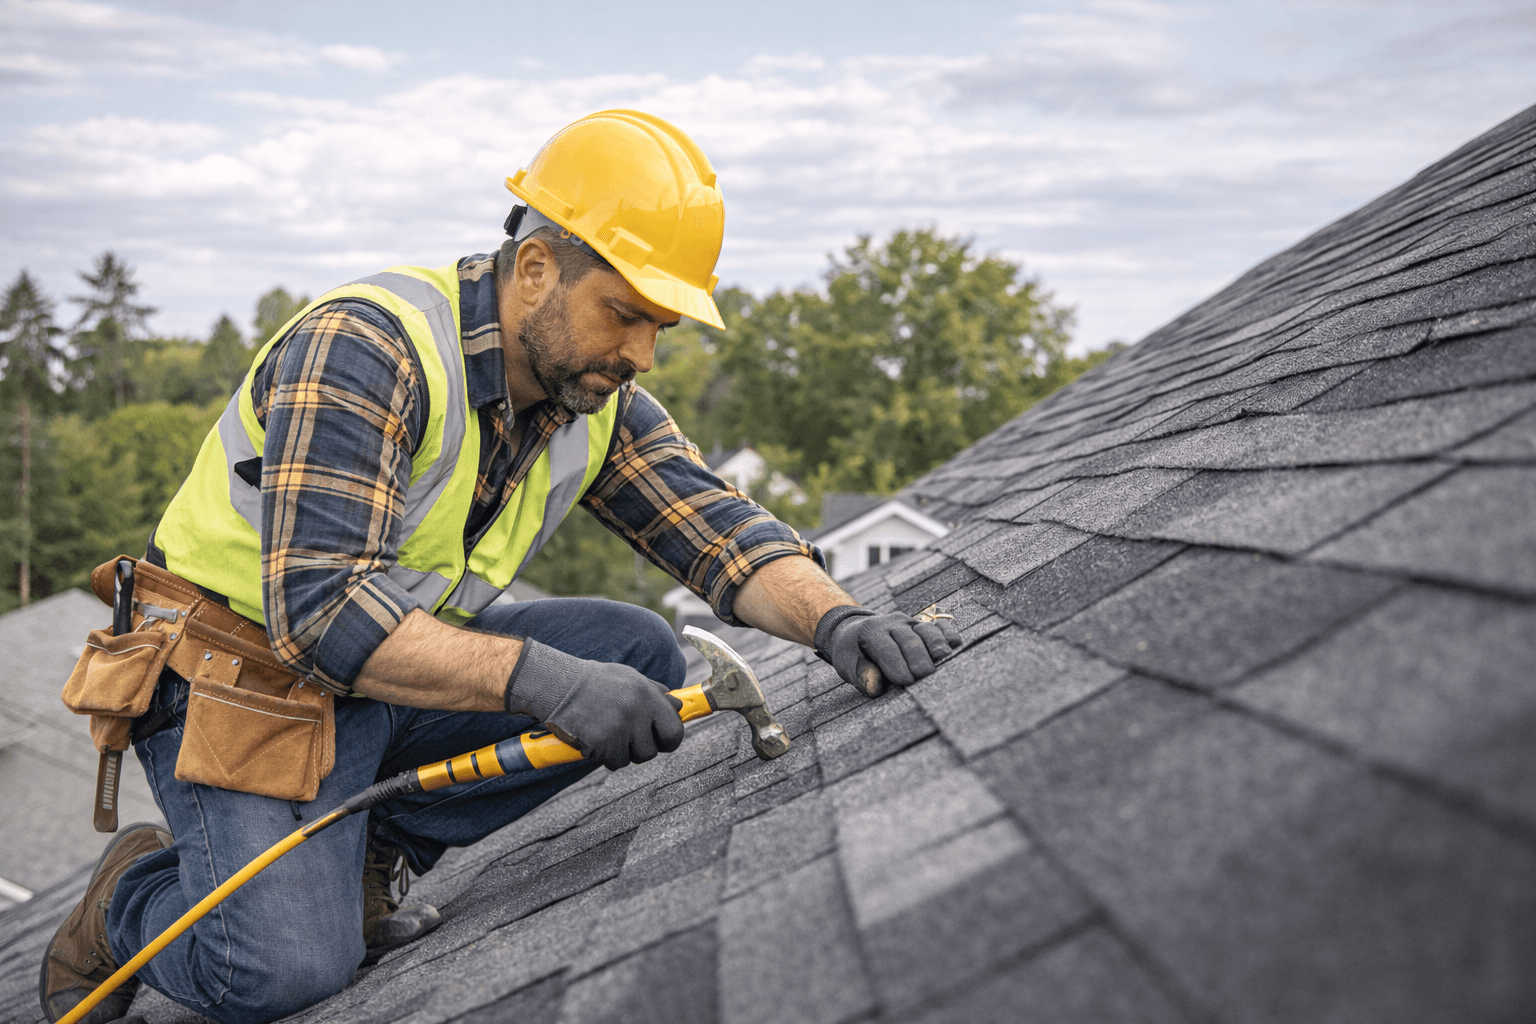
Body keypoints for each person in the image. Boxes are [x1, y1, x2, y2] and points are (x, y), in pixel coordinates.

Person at [41, 109, 961, 1024]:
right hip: (238, 684)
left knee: (635, 652)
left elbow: (717, 529)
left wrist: (838, 620)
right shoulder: (369, 348)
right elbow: (322, 612)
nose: (641, 354)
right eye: (626, 314)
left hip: (382, 680)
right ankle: (122, 904)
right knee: (280, 972)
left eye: (661, 329)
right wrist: (546, 682)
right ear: (535, 269)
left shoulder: (590, 396)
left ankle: (365, 851)